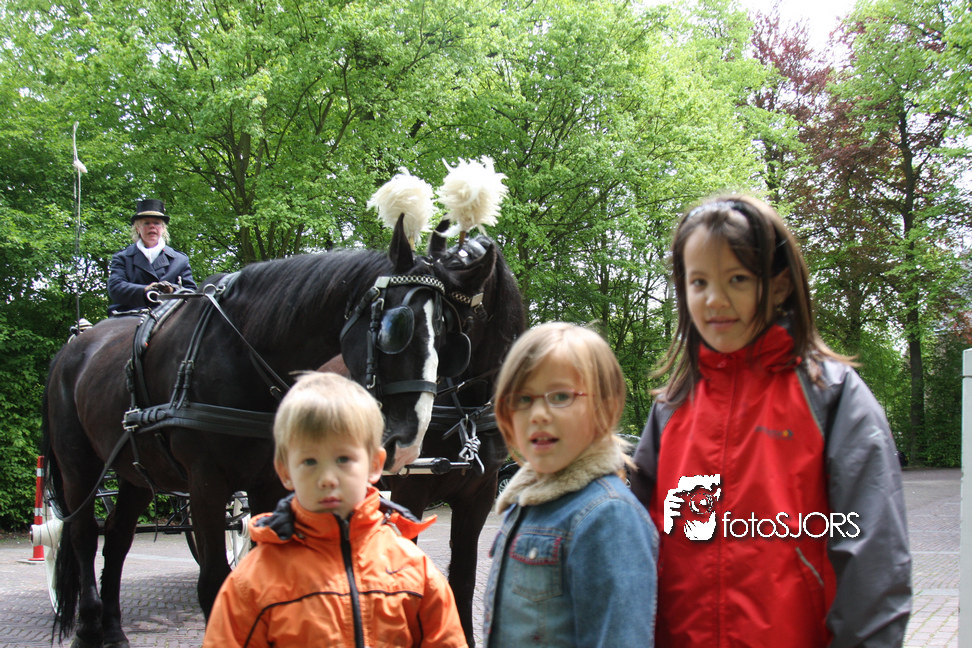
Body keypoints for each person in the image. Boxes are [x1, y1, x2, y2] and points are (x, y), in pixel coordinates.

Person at [629, 195, 911, 647]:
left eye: (737, 278)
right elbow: (631, 534)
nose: (714, 299)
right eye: (698, 281)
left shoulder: (831, 396)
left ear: (778, 287)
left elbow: (874, 559)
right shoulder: (672, 407)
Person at [203, 372, 467, 648]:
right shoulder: (252, 582)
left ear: (375, 464)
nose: (327, 478)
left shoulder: (414, 570)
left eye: (343, 459)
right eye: (309, 461)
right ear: (285, 471)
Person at [482, 322, 658, 648]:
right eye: (523, 399)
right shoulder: (526, 502)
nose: (538, 414)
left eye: (560, 396)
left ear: (604, 407)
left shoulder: (608, 516)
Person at [107, 198, 196, 313]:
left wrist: (172, 290)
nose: (152, 226)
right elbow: (115, 288)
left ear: (163, 228)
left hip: (169, 315)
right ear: (137, 228)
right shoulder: (122, 258)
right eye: (146, 223)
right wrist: (145, 290)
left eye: (156, 223)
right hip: (129, 314)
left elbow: (191, 293)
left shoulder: (180, 260)